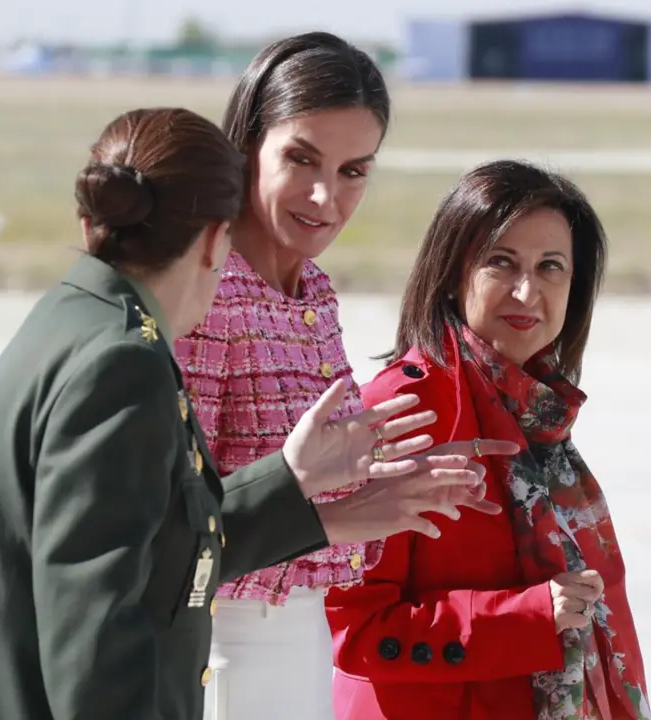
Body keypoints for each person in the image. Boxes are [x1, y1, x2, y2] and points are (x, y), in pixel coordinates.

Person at [0, 108, 517, 720]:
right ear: (211, 240)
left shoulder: (78, 317)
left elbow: (151, 543)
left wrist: (296, 489)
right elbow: (96, 634)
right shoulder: (121, 363)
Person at [325, 160, 651, 720]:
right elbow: (357, 631)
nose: (528, 291)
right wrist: (526, 615)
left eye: (552, 267)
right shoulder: (401, 414)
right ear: (453, 272)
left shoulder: (541, 419)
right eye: (502, 262)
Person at [173, 32, 402, 720]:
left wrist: (396, 480)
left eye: (354, 170)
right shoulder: (206, 294)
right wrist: (337, 515)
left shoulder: (316, 291)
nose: (325, 195)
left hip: (304, 636)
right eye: (301, 158)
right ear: (246, 146)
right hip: (228, 644)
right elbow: (180, 521)